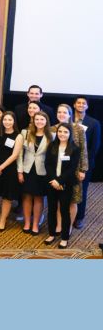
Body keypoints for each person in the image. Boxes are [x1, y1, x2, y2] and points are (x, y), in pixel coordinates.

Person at [50, 104, 88, 235]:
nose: (61, 114)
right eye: (59, 112)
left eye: (64, 112)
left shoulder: (79, 129)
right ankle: (59, 225)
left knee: (72, 200)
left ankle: (69, 226)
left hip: (73, 170)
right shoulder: (52, 129)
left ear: (70, 114)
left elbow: (83, 150)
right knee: (59, 201)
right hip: (57, 171)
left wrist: (83, 169)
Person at [44, 123, 81, 249]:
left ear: (70, 134)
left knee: (64, 211)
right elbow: (47, 164)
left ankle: (65, 237)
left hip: (65, 184)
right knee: (51, 210)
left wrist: (60, 181)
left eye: (65, 132)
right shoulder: (52, 146)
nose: (62, 134)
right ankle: (51, 234)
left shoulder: (74, 149)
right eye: (60, 131)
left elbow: (71, 169)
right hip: (51, 183)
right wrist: (54, 181)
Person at [17, 111, 53, 235]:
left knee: (38, 198)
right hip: (27, 170)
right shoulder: (25, 133)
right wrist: (20, 171)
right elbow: (20, 154)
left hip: (42, 171)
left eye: (42, 119)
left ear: (46, 121)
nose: (39, 122)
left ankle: (35, 224)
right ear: (33, 120)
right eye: (37, 119)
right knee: (26, 196)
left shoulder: (51, 135)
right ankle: (27, 223)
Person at [0, 112, 23, 232]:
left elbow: (15, 155)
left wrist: (1, 167)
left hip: (9, 169)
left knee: (7, 197)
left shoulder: (18, 136)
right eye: (5, 120)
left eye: (10, 120)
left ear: (14, 121)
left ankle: (2, 220)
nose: (7, 122)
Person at [72, 96, 100, 229]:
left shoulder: (93, 123)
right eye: (79, 102)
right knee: (67, 191)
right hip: (67, 162)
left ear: (87, 106)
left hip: (84, 164)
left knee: (81, 191)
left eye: (84, 103)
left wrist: (84, 167)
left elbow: (95, 146)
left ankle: (79, 217)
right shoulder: (67, 119)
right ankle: (67, 214)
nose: (81, 105)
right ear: (74, 105)